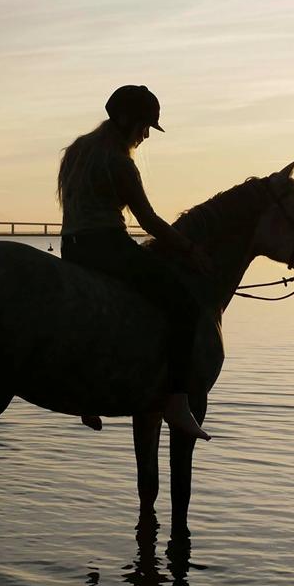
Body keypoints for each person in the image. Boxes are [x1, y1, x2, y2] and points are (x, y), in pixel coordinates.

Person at [57, 85, 211, 441]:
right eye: (144, 126)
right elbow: (149, 221)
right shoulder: (119, 162)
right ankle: (177, 400)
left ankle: (86, 391)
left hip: (72, 248)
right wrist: (190, 250)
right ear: (126, 120)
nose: (145, 136)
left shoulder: (77, 151)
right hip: (107, 246)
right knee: (185, 306)